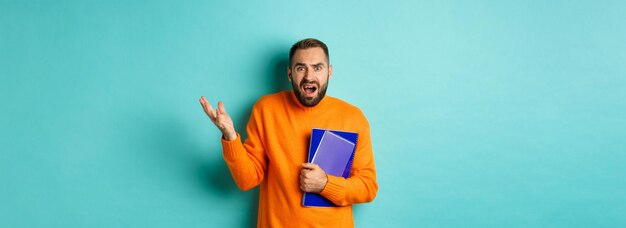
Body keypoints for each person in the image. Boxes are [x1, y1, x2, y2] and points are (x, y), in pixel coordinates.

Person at [199, 38, 378, 227]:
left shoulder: (352, 118)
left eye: (318, 68)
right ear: (290, 73)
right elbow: (247, 180)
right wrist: (230, 136)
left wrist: (325, 184)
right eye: (301, 68)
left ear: (329, 72)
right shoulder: (266, 110)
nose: (309, 76)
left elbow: (368, 187)